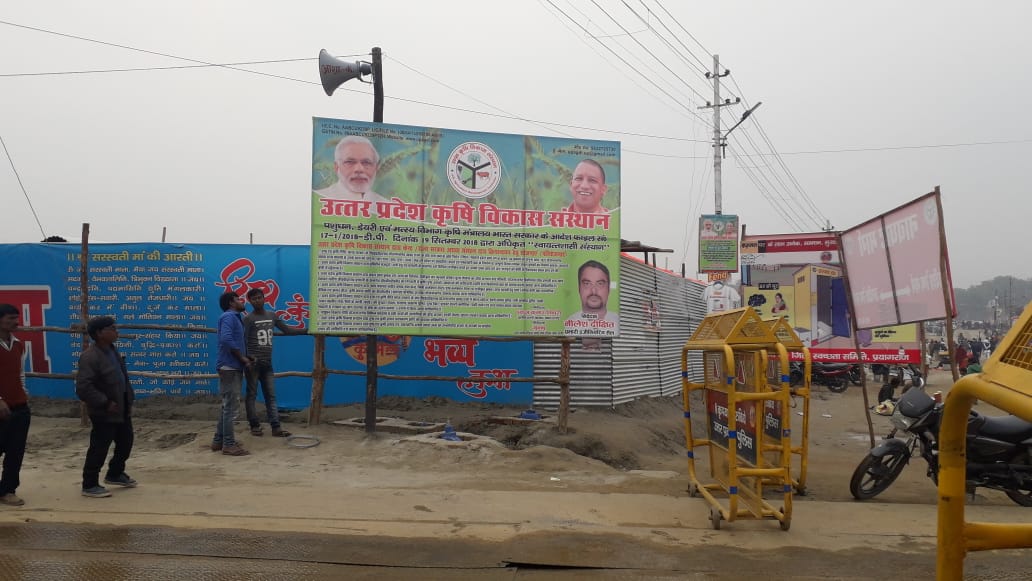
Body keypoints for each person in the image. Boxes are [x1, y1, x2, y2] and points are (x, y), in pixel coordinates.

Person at [75, 316, 137, 498]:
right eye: (112, 328)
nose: (116, 331)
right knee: (99, 446)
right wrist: (104, 402)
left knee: (126, 441)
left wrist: (129, 400)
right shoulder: (90, 356)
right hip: (105, 411)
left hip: (121, 408)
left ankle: (115, 473)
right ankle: (90, 484)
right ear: (99, 333)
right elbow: (83, 387)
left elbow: (122, 378)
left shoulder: (112, 350)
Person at [243, 289, 306, 438]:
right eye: (254, 299)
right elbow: (242, 341)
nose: (257, 301)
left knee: (271, 396)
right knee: (251, 395)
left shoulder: (272, 315)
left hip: (267, 363)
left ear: (264, 299)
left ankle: (276, 427)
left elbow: (287, 330)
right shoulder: (247, 319)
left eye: (259, 298)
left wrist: (306, 330)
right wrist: (248, 357)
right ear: (250, 301)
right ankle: (254, 425)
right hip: (253, 363)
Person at [213, 291, 252, 456]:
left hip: (230, 366)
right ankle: (228, 444)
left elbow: (231, 340)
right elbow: (226, 339)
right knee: (230, 407)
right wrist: (242, 358)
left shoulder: (234, 318)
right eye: (238, 299)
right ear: (231, 302)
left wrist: (245, 355)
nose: (242, 301)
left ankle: (218, 440)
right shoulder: (229, 317)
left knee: (226, 406)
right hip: (230, 367)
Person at [0, 304, 30, 507]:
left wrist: (23, 395)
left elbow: (20, 373)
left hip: (19, 406)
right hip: (1, 406)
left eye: (16, 318)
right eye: (10, 318)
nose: (15, 322)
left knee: (15, 451)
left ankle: (8, 489)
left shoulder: (19, 345)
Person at [314, 135, 389, 205]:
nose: (359, 169)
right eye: (350, 162)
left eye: (366, 162)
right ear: (336, 167)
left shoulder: (389, 209)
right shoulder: (317, 201)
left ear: (376, 168)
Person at [565, 260, 619, 330]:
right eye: (587, 284)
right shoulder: (568, 325)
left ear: (608, 289)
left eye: (600, 284)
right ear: (579, 288)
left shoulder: (619, 323)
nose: (594, 291)